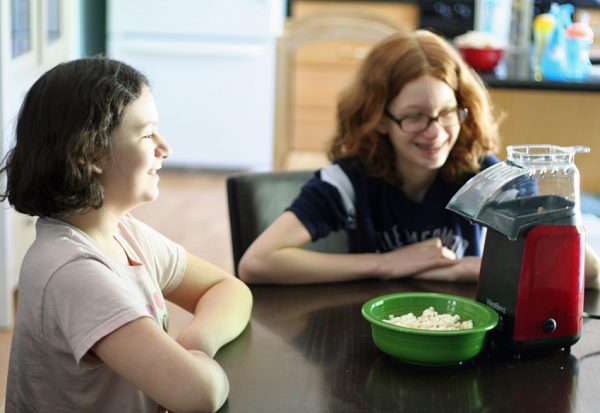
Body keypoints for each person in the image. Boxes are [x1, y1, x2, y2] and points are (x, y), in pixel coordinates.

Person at [239, 29, 600, 287]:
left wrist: (471, 267)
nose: (436, 132)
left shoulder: (488, 176)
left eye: (447, 113)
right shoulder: (348, 181)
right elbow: (257, 263)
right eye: (414, 117)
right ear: (378, 118)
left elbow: (586, 266)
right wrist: (386, 264)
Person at [0, 57, 252, 413]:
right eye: (148, 134)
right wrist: (191, 366)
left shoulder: (123, 233)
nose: (164, 148)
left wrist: (195, 344)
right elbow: (200, 394)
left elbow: (228, 289)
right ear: (92, 153)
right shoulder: (72, 271)